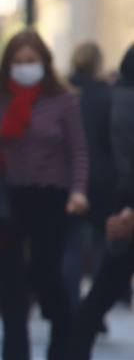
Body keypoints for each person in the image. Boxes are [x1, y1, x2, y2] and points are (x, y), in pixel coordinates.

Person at [0, 30, 89, 360]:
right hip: (7, 197)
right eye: (19, 62)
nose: (25, 68)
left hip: (51, 195)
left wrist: (78, 190)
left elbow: (78, 150)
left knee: (45, 274)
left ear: (44, 63)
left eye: (31, 61)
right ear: (7, 65)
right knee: (9, 281)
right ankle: (16, 359)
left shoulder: (63, 101)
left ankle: (61, 330)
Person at [59, 44, 134, 360]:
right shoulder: (126, 106)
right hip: (125, 212)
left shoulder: (111, 98)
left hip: (116, 208)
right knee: (103, 290)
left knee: (103, 289)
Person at [62, 42, 117, 316]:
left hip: (68, 176)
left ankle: (72, 304)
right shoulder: (105, 95)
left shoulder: (63, 93)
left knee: (71, 244)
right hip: (103, 178)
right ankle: (96, 309)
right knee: (99, 244)